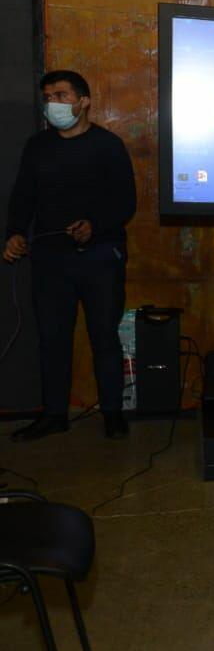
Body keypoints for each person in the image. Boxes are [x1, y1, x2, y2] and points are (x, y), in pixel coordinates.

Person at [4, 70, 136, 442]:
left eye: (61, 96)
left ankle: (112, 414)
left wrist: (95, 225)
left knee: (104, 337)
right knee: (52, 339)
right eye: (48, 97)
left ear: (84, 101)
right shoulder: (37, 147)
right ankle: (54, 415)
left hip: (100, 257)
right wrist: (14, 232)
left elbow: (126, 202)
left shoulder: (108, 145)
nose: (53, 104)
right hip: (50, 260)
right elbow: (23, 196)